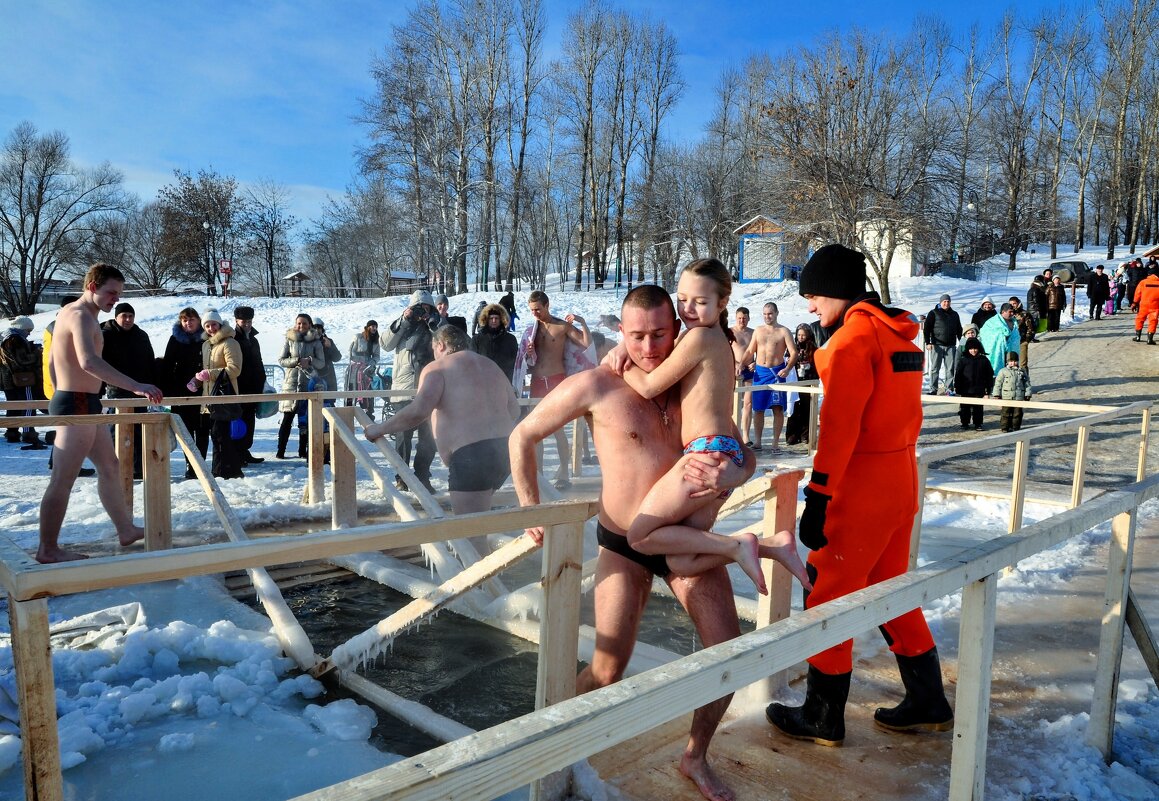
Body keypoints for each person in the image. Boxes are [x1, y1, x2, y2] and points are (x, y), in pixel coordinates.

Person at [511, 285, 774, 801]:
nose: (649, 347)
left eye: (659, 334)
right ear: (621, 333)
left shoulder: (688, 379)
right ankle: (548, 736)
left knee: (728, 651)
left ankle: (695, 755)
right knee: (608, 668)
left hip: (685, 540)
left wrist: (738, 470)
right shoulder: (597, 384)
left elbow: (743, 449)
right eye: (636, 336)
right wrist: (530, 506)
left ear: (676, 329)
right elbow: (522, 436)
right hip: (624, 543)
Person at [766, 243, 953, 748]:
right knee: (888, 588)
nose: (809, 307)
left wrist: (819, 493)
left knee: (827, 592)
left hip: (862, 484)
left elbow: (841, 428)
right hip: (901, 479)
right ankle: (928, 701)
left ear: (838, 292)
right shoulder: (899, 334)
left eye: (814, 295)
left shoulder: (852, 342)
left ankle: (823, 717)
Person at [604, 259, 810, 592]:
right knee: (682, 561)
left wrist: (619, 360)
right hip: (722, 452)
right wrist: (626, 343)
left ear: (722, 302)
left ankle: (739, 545)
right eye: (682, 299)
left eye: (699, 302)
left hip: (706, 453)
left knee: (640, 536)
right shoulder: (714, 338)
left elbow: (648, 386)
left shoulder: (699, 337)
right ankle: (771, 546)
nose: (688, 309)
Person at [36, 263, 162, 563]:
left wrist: (59, 389)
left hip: (84, 401)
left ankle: (125, 529)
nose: (115, 299)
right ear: (92, 286)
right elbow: (88, 362)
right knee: (63, 478)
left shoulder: (72, 315)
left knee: (110, 466)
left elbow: (55, 363)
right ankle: (48, 548)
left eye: (119, 293)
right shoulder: (79, 315)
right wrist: (135, 385)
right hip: (77, 403)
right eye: (111, 293)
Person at [365, 325, 520, 555]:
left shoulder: (438, 368)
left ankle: (484, 589)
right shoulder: (489, 365)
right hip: (505, 451)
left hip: (472, 458)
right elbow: (514, 409)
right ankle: (491, 584)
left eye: (434, 349)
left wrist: (379, 428)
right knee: (477, 525)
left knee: (470, 537)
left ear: (440, 345)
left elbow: (419, 410)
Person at [525, 290, 591, 489]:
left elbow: (586, 343)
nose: (535, 313)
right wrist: (529, 355)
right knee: (535, 431)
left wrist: (582, 321)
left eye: (537, 309)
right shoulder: (532, 330)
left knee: (557, 430)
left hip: (556, 380)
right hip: (537, 380)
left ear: (546, 305)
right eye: (531, 310)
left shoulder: (562, 326)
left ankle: (564, 471)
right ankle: (540, 474)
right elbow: (526, 363)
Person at [381, 291, 439, 493]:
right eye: (418, 308)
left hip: (430, 390)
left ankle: (422, 476)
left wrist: (436, 324)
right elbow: (385, 343)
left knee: (429, 438)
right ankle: (402, 477)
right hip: (404, 390)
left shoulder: (436, 325)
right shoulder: (402, 327)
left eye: (426, 308)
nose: (422, 312)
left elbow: (450, 347)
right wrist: (404, 319)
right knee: (402, 437)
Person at [100, 303, 156, 476]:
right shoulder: (105, 335)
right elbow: (98, 364)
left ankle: (137, 468)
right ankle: (117, 467)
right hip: (116, 389)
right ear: (116, 317)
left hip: (140, 389)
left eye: (130, 316)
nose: (127, 319)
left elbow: (149, 360)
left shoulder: (141, 335)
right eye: (124, 315)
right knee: (117, 430)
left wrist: (150, 383)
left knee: (138, 430)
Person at [191, 309, 244, 479]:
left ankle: (223, 471)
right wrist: (197, 380)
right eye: (207, 325)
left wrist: (209, 374)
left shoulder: (229, 343)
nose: (211, 328)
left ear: (220, 324)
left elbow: (235, 370)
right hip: (209, 398)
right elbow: (206, 370)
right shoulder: (206, 344)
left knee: (220, 435)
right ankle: (227, 470)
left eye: (213, 324)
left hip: (224, 396)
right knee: (216, 436)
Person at [740, 302, 798, 452]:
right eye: (765, 314)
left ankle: (775, 443)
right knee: (758, 409)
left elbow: (794, 353)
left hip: (776, 373)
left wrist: (787, 368)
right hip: (760, 373)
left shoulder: (784, 331)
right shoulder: (758, 331)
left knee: (777, 409)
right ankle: (758, 441)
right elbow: (749, 351)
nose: (767, 317)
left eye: (770, 313)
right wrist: (741, 364)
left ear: (777, 313)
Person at [161, 308, 209, 479]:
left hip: (203, 391)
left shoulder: (206, 338)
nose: (188, 323)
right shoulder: (175, 340)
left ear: (198, 321)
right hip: (180, 392)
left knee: (202, 429)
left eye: (192, 320)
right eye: (185, 320)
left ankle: (200, 464)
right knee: (185, 431)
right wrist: (169, 389)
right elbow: (167, 365)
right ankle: (191, 465)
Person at [276, 313, 327, 459]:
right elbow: (281, 360)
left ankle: (302, 450)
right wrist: (296, 360)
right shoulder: (289, 339)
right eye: (299, 323)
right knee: (287, 418)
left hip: (308, 383)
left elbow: (321, 362)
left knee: (305, 419)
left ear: (309, 325)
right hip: (291, 384)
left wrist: (310, 360)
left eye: (304, 323)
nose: (301, 326)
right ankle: (281, 450)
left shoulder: (316, 342)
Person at [0, 316, 46, 449]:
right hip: (22, 379)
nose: (29, 333)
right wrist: (37, 353)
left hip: (9, 379)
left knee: (13, 407)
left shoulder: (6, 337)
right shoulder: (15, 339)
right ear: (21, 328)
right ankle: (28, 434)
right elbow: (22, 360)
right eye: (28, 330)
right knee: (28, 405)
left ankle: (12, 433)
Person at [232, 306, 265, 464]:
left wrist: (262, 379)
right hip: (239, 386)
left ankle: (244, 450)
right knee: (239, 421)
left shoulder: (254, 339)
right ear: (237, 321)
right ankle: (237, 452)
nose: (247, 324)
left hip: (254, 386)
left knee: (250, 420)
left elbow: (258, 361)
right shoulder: (233, 339)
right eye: (243, 321)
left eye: (249, 321)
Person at [784, 323, 817, 446]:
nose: (801, 337)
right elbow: (787, 359)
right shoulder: (793, 347)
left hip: (808, 381)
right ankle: (792, 435)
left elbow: (817, 363)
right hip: (795, 380)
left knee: (806, 408)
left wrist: (810, 367)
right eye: (799, 335)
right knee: (794, 406)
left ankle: (805, 435)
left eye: (803, 335)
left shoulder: (813, 348)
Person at [923, 294, 962, 395]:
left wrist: (961, 342)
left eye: (948, 301)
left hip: (951, 346)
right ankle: (933, 389)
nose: (946, 303)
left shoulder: (955, 314)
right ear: (940, 302)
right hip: (937, 345)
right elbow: (927, 329)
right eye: (944, 301)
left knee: (950, 368)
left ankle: (949, 389)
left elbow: (959, 329)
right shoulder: (933, 313)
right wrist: (928, 342)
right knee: (935, 368)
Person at [954, 337, 993, 431]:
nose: (973, 351)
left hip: (979, 389)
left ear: (979, 348)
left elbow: (989, 376)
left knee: (978, 408)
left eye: (975, 348)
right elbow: (958, 374)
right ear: (968, 349)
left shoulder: (984, 360)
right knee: (965, 408)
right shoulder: (964, 360)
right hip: (965, 389)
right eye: (971, 349)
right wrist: (957, 387)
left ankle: (978, 423)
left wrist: (988, 390)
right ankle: (964, 423)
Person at [472, 303, 518, 382]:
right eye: (491, 318)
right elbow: (472, 362)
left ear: (501, 319)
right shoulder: (477, 339)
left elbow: (516, 363)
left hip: (504, 382)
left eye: (496, 318)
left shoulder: (510, 339)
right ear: (486, 319)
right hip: (482, 382)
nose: (494, 321)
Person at [729, 306, 755, 445]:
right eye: (739, 318)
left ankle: (745, 436)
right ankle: (733, 434)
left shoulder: (753, 333)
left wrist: (755, 363)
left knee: (748, 403)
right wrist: (735, 364)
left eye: (744, 318)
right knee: (732, 404)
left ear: (748, 318)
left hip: (749, 371)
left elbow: (760, 350)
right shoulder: (730, 332)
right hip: (734, 371)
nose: (741, 321)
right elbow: (725, 350)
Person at [345, 320, 381, 418]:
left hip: (368, 368)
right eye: (372, 326)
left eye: (375, 327)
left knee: (369, 389)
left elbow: (377, 355)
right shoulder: (358, 337)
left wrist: (372, 363)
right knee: (352, 388)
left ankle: (369, 412)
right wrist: (360, 360)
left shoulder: (376, 341)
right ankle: (348, 412)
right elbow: (351, 352)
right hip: (355, 368)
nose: (374, 328)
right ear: (368, 327)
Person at [993, 351, 1032, 432]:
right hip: (1007, 396)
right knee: (1005, 413)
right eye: (1010, 361)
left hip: (1018, 396)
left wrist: (1027, 394)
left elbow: (1027, 383)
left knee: (1017, 413)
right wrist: (997, 394)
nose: (1013, 363)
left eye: (1014, 361)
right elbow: (998, 383)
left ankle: (1015, 427)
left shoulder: (1022, 371)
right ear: (1007, 362)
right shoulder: (1003, 371)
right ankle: (1005, 427)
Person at [979, 302, 1020, 377]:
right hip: (997, 351)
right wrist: (1001, 335)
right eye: (1009, 312)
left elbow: (1016, 336)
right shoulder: (992, 322)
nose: (1012, 313)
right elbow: (984, 334)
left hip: (1011, 351)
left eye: (1012, 312)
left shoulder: (1014, 322)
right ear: (1003, 312)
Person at [1132, 265, 1159, 344]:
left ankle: (1138, 337)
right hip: (1155, 306)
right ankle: (1150, 339)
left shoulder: (1143, 282)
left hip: (1144, 305)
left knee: (1139, 319)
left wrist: (1134, 303)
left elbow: (1138, 294)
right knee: (1153, 321)